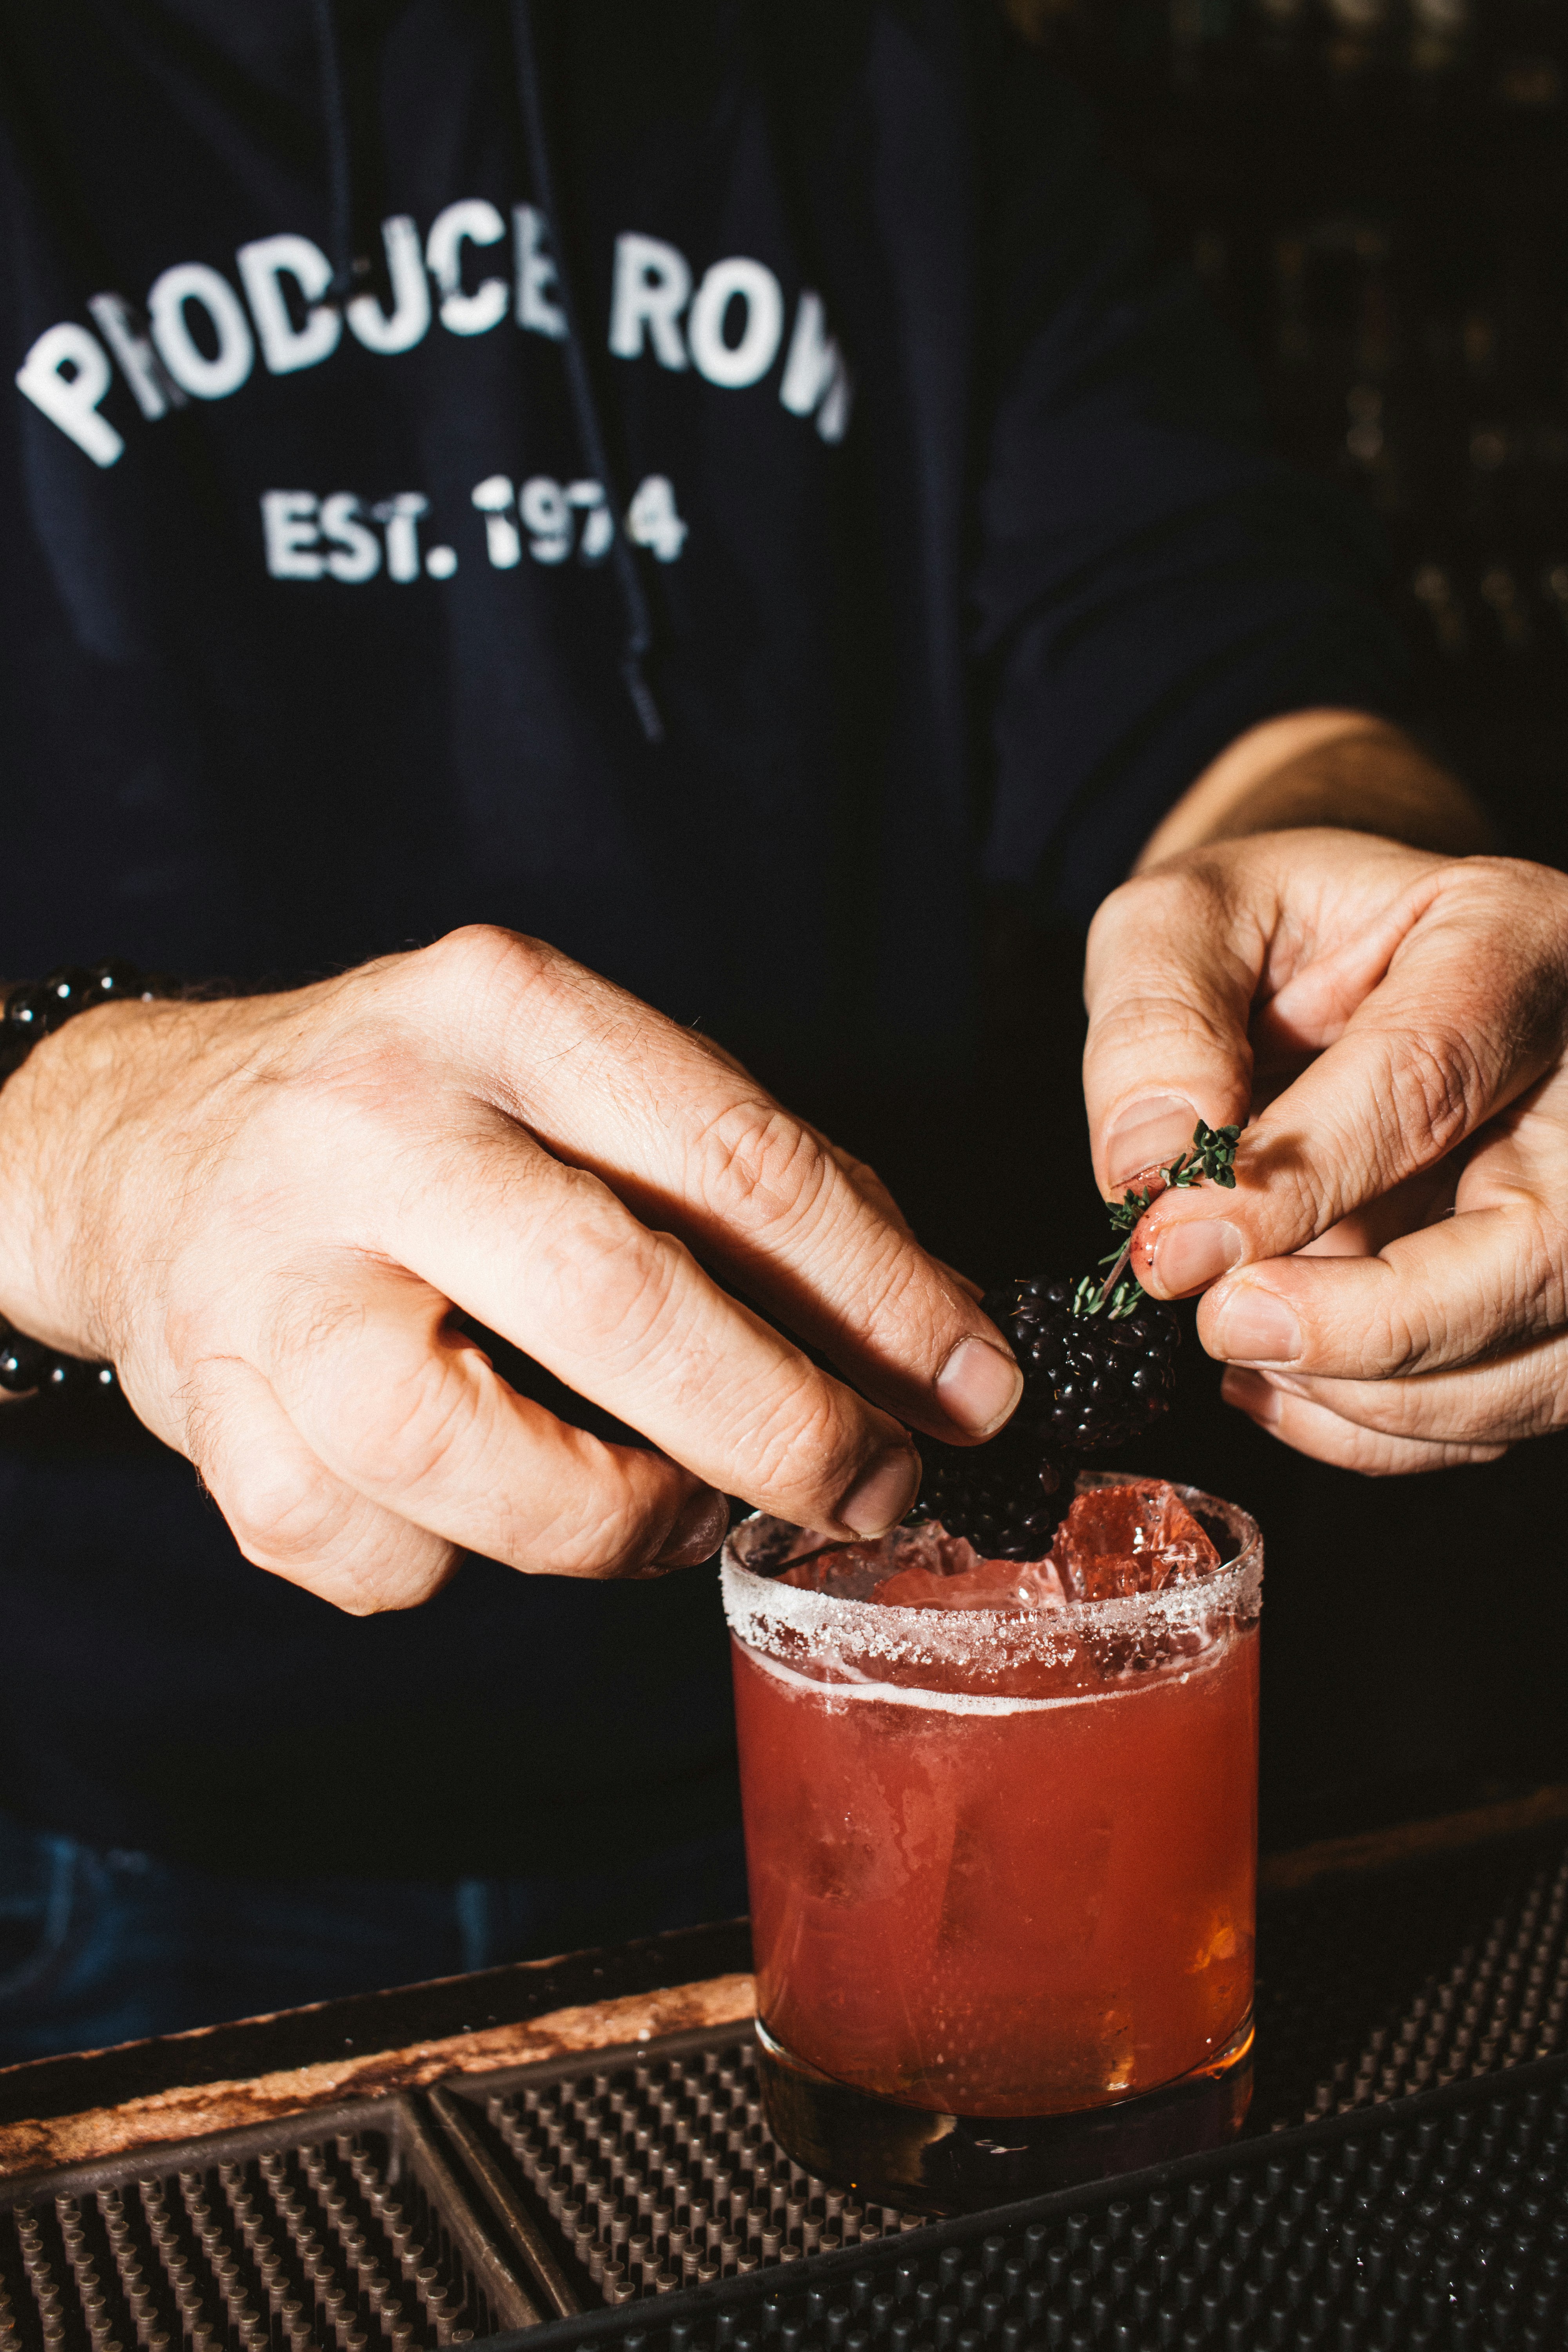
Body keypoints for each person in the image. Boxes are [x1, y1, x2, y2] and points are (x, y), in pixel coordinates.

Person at [0, 0, 1557, 2062]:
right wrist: (98, 1150)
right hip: (113, 1810)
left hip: (899, 1685)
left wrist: (1388, 920)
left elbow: (1224, 667)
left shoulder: (901, 77)